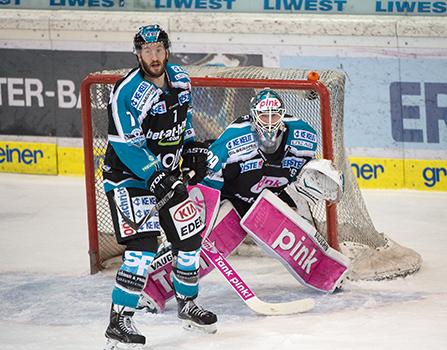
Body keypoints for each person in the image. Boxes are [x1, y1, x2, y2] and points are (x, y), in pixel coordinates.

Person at [102, 24, 216, 349]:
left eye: (158, 49)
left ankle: (187, 304)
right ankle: (119, 321)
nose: (153, 56)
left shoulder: (180, 78)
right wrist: (155, 175)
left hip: (166, 176)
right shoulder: (126, 92)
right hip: (129, 177)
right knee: (142, 249)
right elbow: (126, 146)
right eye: (146, 51)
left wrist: (192, 150)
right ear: (137, 54)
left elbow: (185, 123)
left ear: (167, 49)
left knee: (189, 241)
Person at [202, 87, 343, 225]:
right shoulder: (234, 137)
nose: (269, 121)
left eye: (274, 115)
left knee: (312, 174)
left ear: (282, 115)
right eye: (264, 116)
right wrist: (208, 207)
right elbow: (210, 177)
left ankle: (299, 219)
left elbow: (305, 172)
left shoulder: (303, 134)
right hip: (235, 200)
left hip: (275, 199)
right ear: (254, 116)